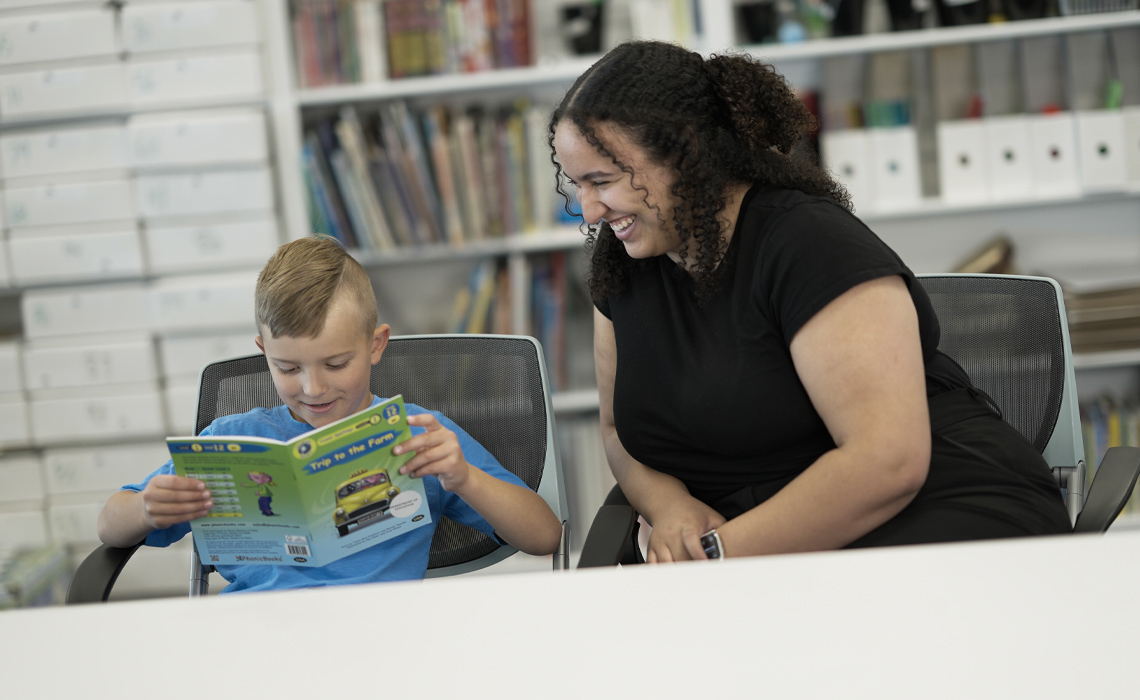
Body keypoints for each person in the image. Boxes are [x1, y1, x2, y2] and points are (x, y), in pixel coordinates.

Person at [549, 40, 1071, 563]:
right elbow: (619, 429)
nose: (590, 211)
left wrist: (717, 555)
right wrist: (669, 507)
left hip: (934, 509)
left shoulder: (808, 242)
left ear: (685, 151)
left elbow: (887, 464)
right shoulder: (622, 265)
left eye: (603, 181)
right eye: (577, 186)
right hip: (757, 545)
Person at [98, 236, 562, 592]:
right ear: (264, 353)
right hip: (255, 643)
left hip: (380, 642)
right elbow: (109, 525)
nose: (313, 387)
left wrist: (465, 478)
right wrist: (145, 507)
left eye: (336, 364)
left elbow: (543, 535)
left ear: (376, 345)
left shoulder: (419, 436)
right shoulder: (233, 439)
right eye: (287, 367)